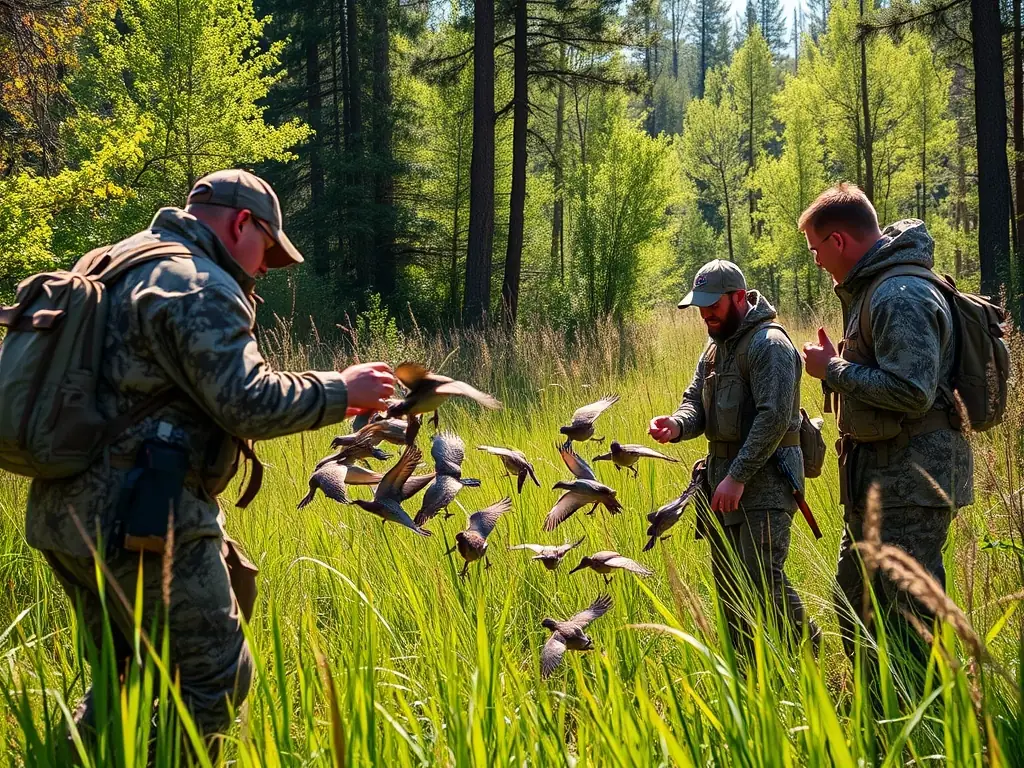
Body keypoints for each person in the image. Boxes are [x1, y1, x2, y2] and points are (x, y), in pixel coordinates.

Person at [25, 169, 396, 757]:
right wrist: (339, 388)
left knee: (125, 677)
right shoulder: (197, 281)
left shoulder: (115, 260)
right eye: (267, 250)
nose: (263, 269)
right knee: (215, 679)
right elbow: (247, 403)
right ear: (241, 222)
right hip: (141, 520)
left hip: (62, 512)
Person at [798, 183, 973, 680]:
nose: (815, 261)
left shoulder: (900, 294)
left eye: (815, 249)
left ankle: (929, 730)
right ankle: (880, 716)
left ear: (838, 241)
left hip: (913, 483)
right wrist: (845, 362)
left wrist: (833, 369)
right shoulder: (877, 288)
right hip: (881, 480)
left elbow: (912, 391)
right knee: (855, 603)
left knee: (907, 620)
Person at [649, 260, 819, 656]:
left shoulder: (769, 345)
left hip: (766, 482)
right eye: (700, 305)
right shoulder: (713, 349)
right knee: (729, 587)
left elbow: (774, 417)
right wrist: (676, 425)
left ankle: (811, 657)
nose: (705, 313)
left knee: (762, 581)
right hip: (723, 483)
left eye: (713, 304)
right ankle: (745, 680)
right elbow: (695, 403)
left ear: (739, 297)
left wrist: (738, 475)